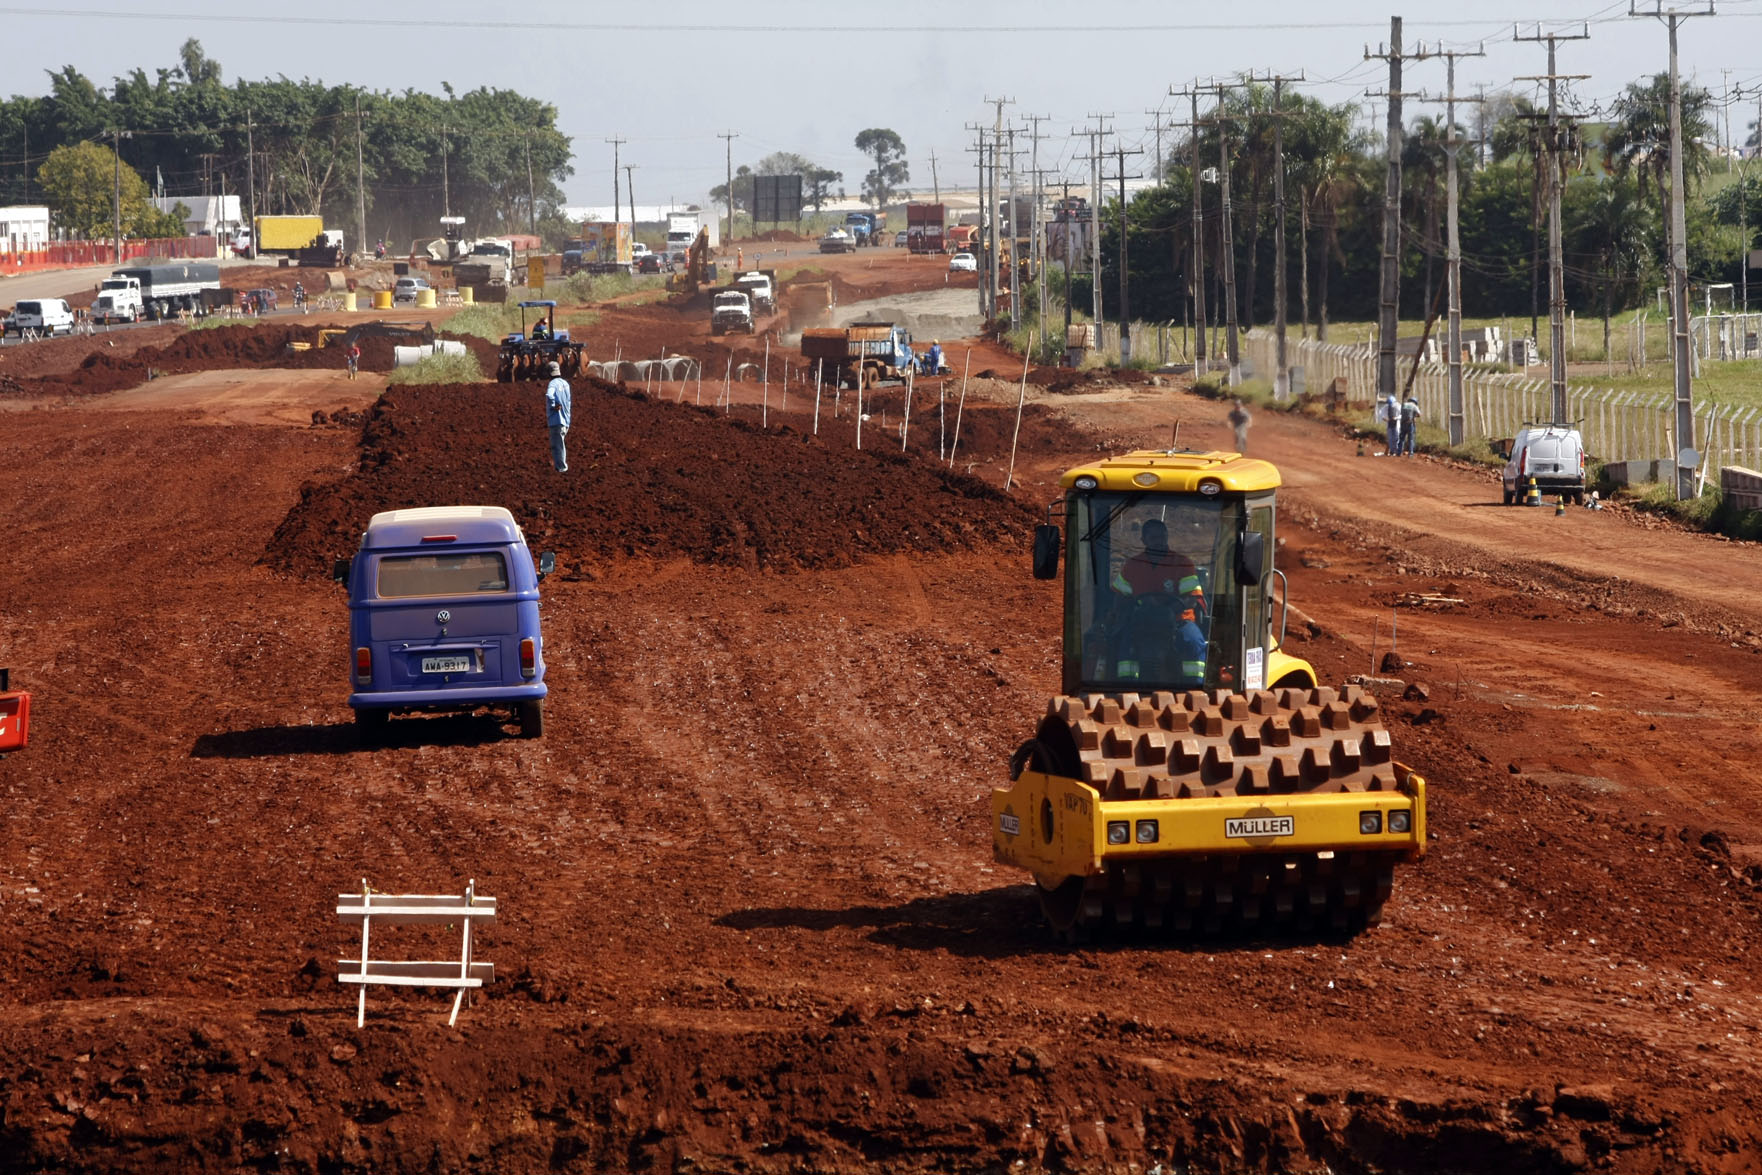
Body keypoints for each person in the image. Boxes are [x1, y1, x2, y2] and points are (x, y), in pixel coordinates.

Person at [1112, 518, 1208, 681]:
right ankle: (1127, 684)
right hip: (1141, 622)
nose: (1159, 541)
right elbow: (1120, 598)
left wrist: (1166, 610)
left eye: (1162, 537)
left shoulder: (1182, 563)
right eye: (1153, 538)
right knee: (1124, 641)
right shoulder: (1132, 565)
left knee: (1193, 642)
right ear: (1143, 540)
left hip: (1178, 621)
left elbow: (1191, 599)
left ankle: (1194, 684)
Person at [544, 360, 571, 473]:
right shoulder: (565, 384)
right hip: (566, 420)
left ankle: (561, 469)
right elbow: (568, 401)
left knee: (557, 446)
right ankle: (560, 467)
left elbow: (549, 395)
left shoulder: (553, 384)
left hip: (556, 420)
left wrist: (553, 406)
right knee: (560, 444)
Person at [1380, 390, 1400, 454]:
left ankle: (1397, 450)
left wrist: (1396, 418)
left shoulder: (1398, 406)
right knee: (1390, 437)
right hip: (1389, 423)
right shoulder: (1386, 407)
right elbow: (1381, 412)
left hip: (1396, 423)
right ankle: (1392, 451)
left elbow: (1401, 415)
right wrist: (1384, 418)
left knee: (1396, 437)